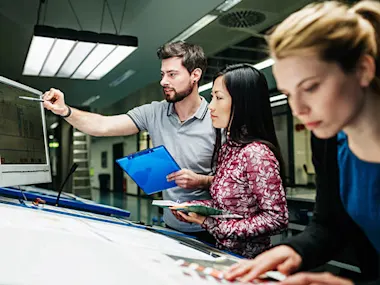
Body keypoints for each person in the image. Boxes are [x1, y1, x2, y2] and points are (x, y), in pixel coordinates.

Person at [225, 1, 380, 284]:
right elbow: (330, 223)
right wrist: (293, 250)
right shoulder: (329, 139)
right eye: (288, 94)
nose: (299, 109)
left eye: (310, 87)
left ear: (363, 69)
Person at [42, 41, 217, 243]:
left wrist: (201, 180)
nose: (163, 81)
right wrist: (65, 111)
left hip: (210, 231)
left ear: (195, 75)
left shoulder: (217, 119)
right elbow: (102, 126)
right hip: (172, 227)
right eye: (162, 74)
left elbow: (239, 183)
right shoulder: (154, 112)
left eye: (172, 74)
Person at [169, 64, 288, 258]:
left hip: (248, 263)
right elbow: (231, 206)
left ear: (242, 103)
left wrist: (209, 223)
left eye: (219, 97)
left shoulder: (257, 154)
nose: (211, 105)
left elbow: (276, 219)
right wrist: (193, 207)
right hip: (222, 254)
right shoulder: (228, 149)